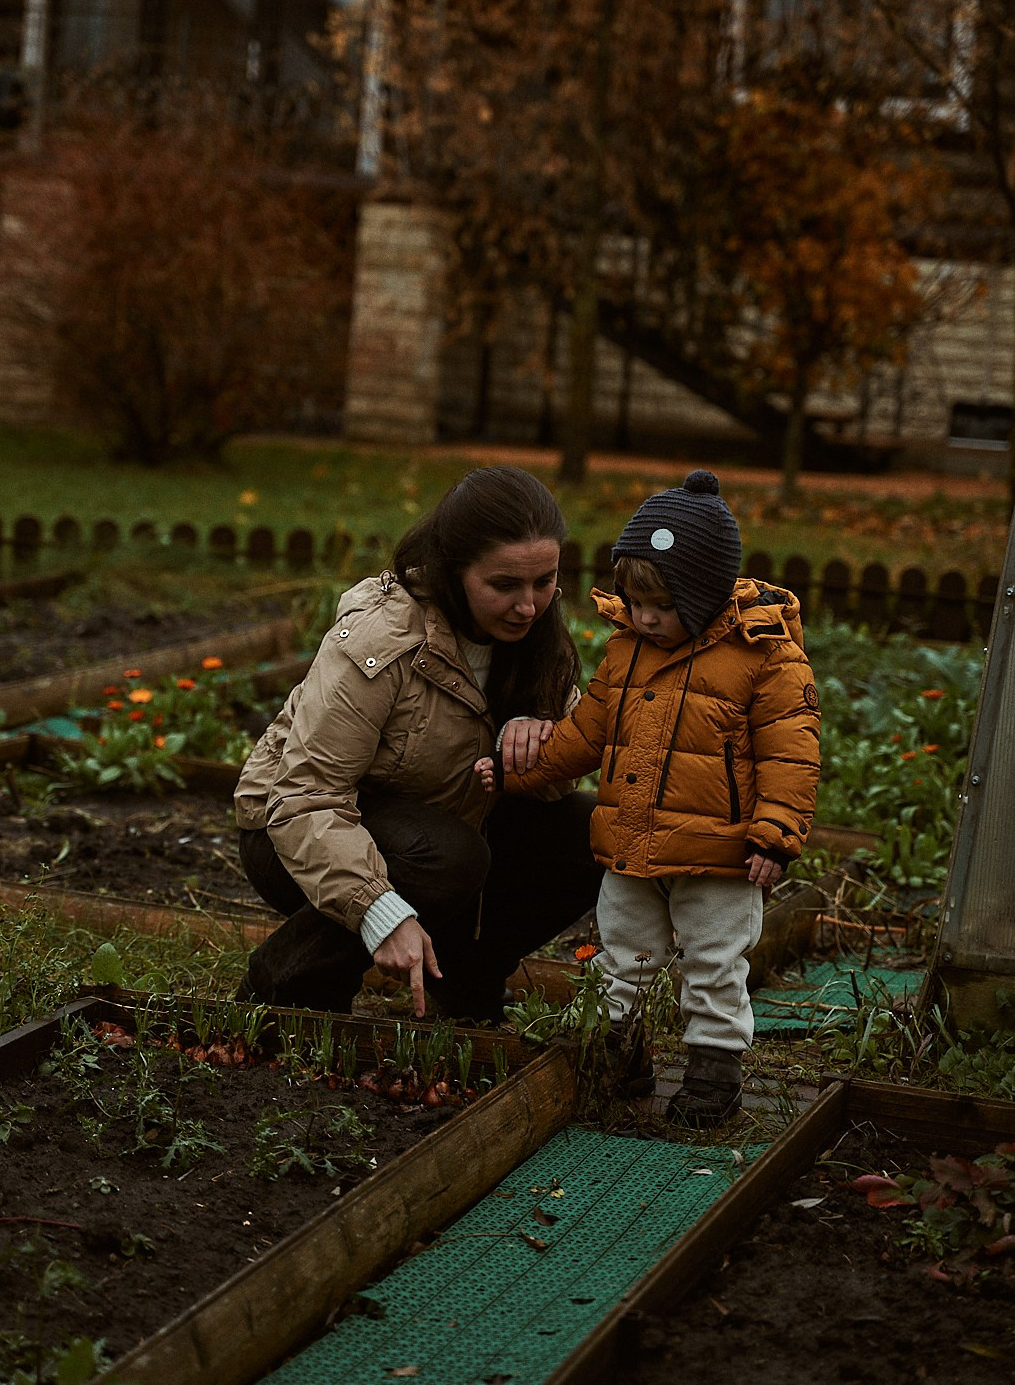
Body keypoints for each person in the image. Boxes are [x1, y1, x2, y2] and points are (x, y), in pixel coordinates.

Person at [476, 469, 820, 1125]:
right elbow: (586, 733)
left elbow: (791, 754)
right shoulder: (627, 651)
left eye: (661, 603)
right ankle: (617, 1055)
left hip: (720, 856)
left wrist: (775, 835)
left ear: (705, 593)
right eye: (634, 601)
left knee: (714, 964)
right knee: (622, 953)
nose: (645, 616)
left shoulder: (767, 658)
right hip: (632, 841)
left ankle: (714, 1077)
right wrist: (518, 772)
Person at [234, 465, 602, 1021]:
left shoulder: (537, 643)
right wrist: (380, 911)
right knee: (449, 856)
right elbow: (306, 794)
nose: (529, 605)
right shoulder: (381, 642)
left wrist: (538, 747)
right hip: (293, 831)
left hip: (438, 832)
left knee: (590, 832)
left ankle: (467, 979)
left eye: (544, 581)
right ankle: (284, 987)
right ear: (453, 572)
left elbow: (554, 789)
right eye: (504, 585)